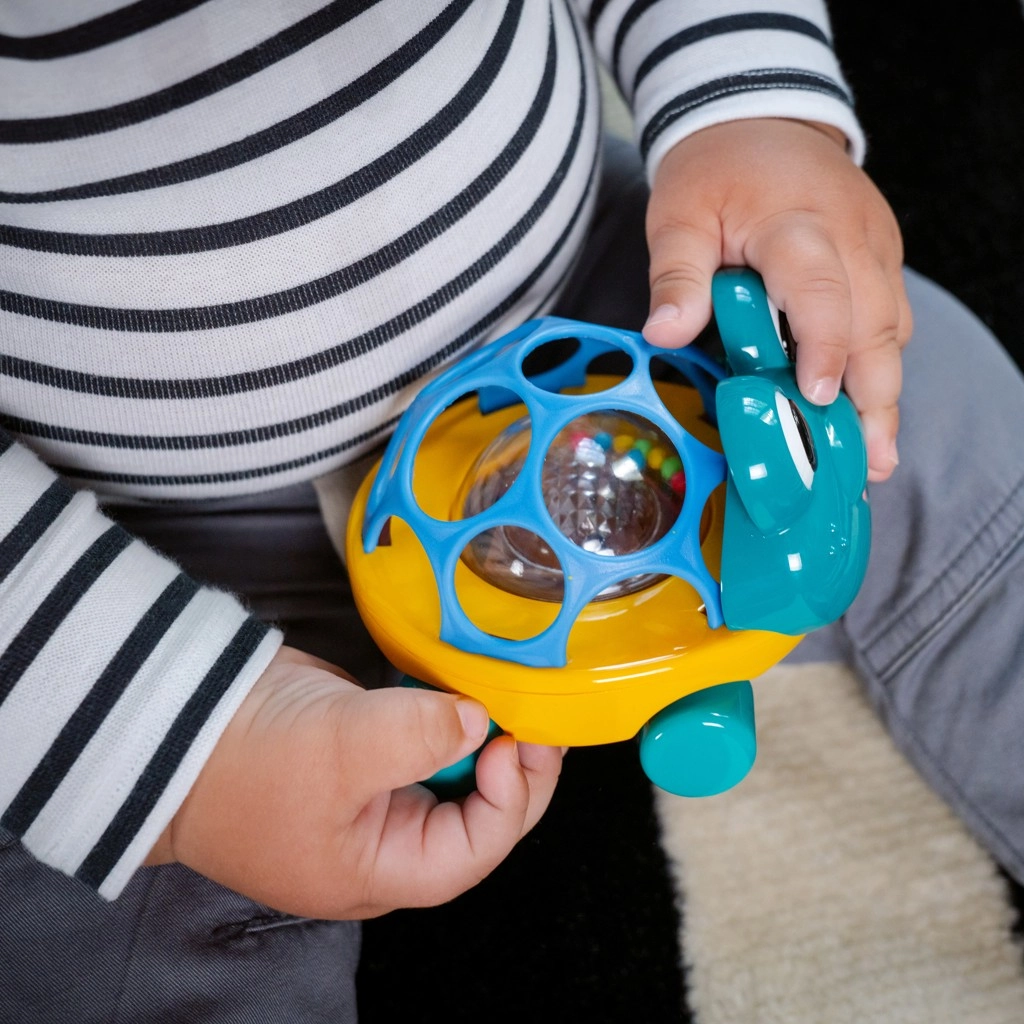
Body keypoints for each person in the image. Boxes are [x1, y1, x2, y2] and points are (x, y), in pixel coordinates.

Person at [2, 1, 1022, 1021]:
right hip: (125, 524)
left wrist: (748, 106)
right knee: (115, 893)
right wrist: (171, 738)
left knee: (911, 405)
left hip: (601, 313)